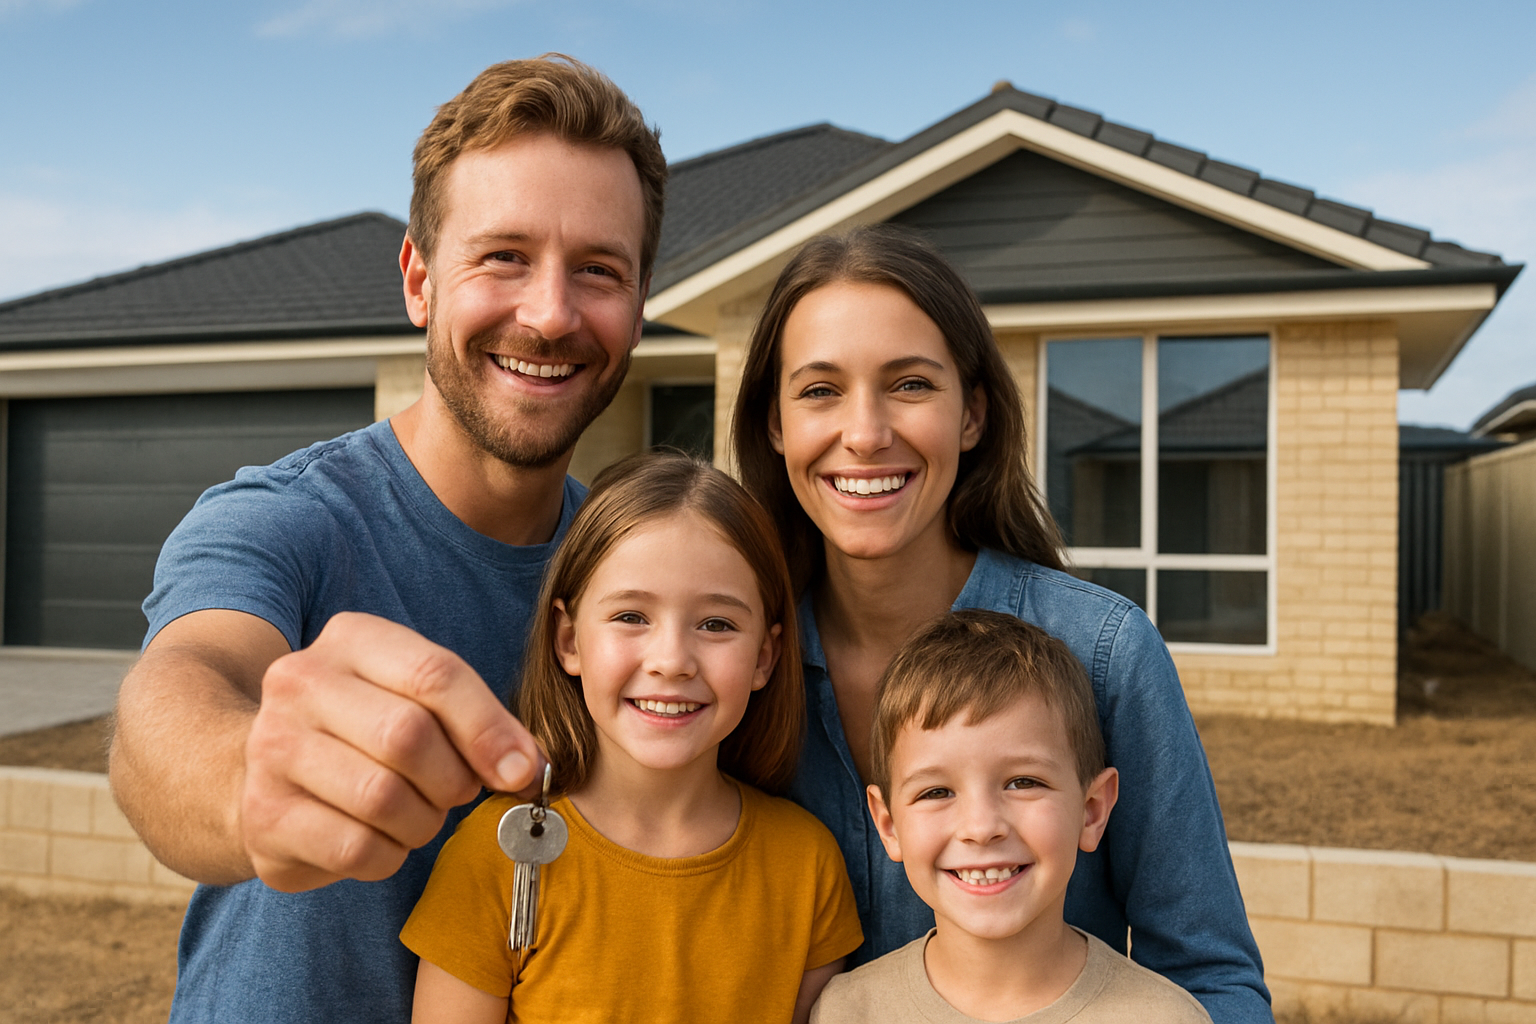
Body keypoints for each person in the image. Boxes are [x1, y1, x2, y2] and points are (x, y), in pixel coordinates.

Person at [106, 56, 668, 1024]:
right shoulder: (284, 518)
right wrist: (251, 778)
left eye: (598, 271)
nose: (549, 312)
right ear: (418, 281)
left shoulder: (634, 572)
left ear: (640, 303)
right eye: (502, 257)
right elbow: (172, 706)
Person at [731, 225, 1273, 1023]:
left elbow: (1212, 977)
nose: (865, 432)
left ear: (974, 413)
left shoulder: (1104, 654)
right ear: (775, 425)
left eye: (910, 384)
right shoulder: (730, 664)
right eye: (819, 391)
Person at [401, 452, 864, 1024]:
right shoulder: (493, 854)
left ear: (765, 657)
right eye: (631, 617)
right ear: (568, 640)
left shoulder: (808, 865)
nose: (671, 661)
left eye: (716, 624)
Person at [812, 610, 1211, 1024]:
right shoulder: (846, 1011)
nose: (982, 828)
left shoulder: (1167, 1017)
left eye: (1023, 783)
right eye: (936, 792)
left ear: (1092, 810)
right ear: (889, 825)